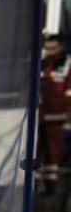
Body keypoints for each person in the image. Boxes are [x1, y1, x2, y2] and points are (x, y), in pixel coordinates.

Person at [40, 35, 71, 192]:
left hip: (56, 115)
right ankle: (35, 182)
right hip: (40, 113)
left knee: (53, 151)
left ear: (59, 48)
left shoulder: (66, 63)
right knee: (36, 149)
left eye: (52, 48)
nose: (48, 51)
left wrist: (64, 107)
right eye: (46, 48)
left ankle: (51, 186)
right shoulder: (42, 62)